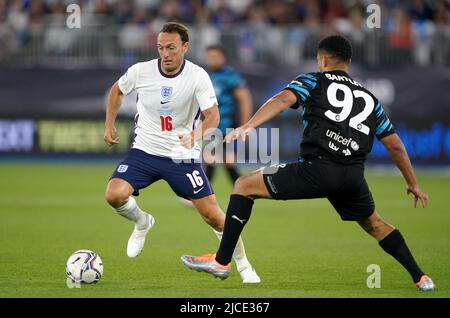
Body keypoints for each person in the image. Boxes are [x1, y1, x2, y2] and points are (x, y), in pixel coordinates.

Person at [181, 35, 436, 291]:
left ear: (323, 59)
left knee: (244, 185)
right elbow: (394, 145)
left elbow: (282, 100)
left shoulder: (313, 80)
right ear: (348, 61)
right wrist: (412, 183)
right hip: (353, 178)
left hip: (317, 170)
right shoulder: (369, 99)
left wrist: (248, 125)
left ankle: (222, 261)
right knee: (376, 225)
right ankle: (421, 278)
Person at [103, 22, 260, 283]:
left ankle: (245, 267)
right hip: (144, 151)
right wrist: (109, 123)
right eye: (161, 48)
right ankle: (142, 222)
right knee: (114, 195)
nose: (165, 53)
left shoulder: (198, 76)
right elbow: (117, 90)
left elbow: (213, 116)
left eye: (171, 48)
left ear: (185, 47)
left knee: (213, 215)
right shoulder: (141, 71)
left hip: (181, 156)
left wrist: (194, 136)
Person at [179, 44, 253, 208]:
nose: (212, 60)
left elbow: (244, 98)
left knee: (212, 158)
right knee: (224, 161)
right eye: (210, 57)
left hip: (225, 125)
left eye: (215, 56)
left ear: (223, 57)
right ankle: (246, 192)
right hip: (210, 126)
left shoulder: (230, 76)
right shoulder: (205, 75)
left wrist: (246, 124)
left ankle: (200, 196)